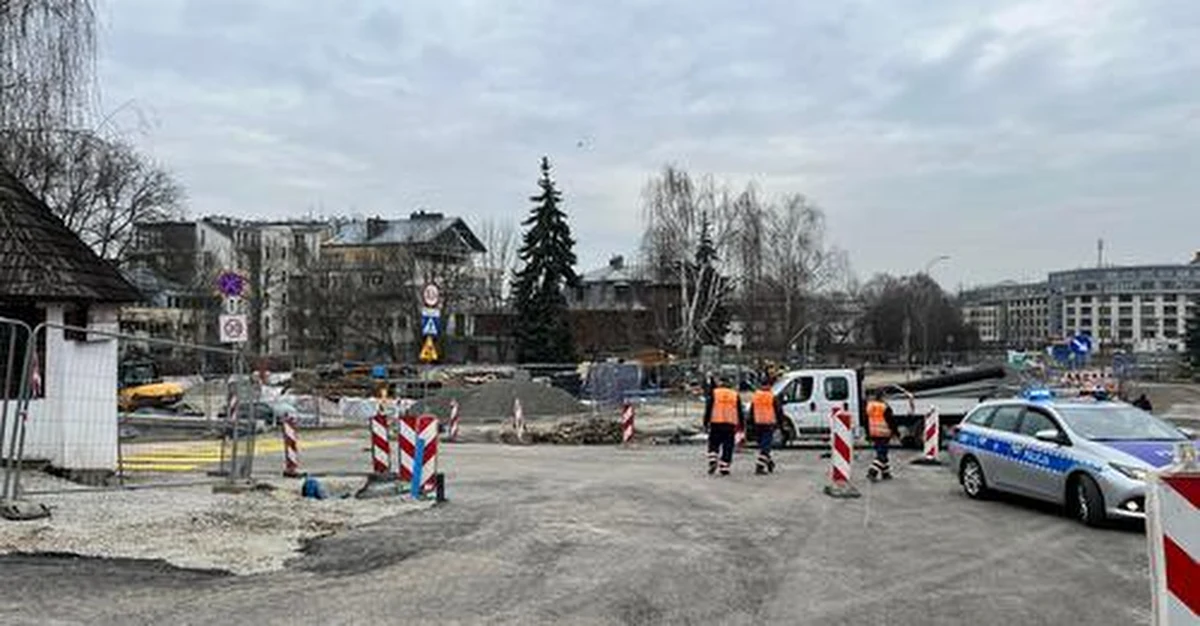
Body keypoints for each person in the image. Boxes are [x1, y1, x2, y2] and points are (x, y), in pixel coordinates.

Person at [704, 377, 744, 476]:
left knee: (714, 442)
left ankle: (713, 458)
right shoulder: (735, 395)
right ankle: (724, 467)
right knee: (728, 446)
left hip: (716, 422)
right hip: (730, 423)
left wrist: (706, 421)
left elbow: (709, 407)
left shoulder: (714, 393)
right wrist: (742, 425)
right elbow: (740, 411)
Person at [750, 381, 781, 475]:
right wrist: (780, 423)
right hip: (768, 423)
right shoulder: (772, 397)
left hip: (758, 423)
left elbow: (751, 411)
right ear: (769, 386)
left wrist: (751, 423)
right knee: (765, 446)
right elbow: (778, 411)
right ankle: (759, 467)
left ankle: (769, 462)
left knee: (763, 445)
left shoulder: (756, 396)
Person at [865, 391, 896, 482]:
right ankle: (872, 472)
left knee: (883, 453)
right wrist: (896, 433)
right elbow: (891, 421)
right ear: (882, 397)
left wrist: (868, 435)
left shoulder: (870, 406)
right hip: (883, 433)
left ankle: (886, 473)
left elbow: (866, 421)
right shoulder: (885, 407)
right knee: (881, 454)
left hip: (874, 432)